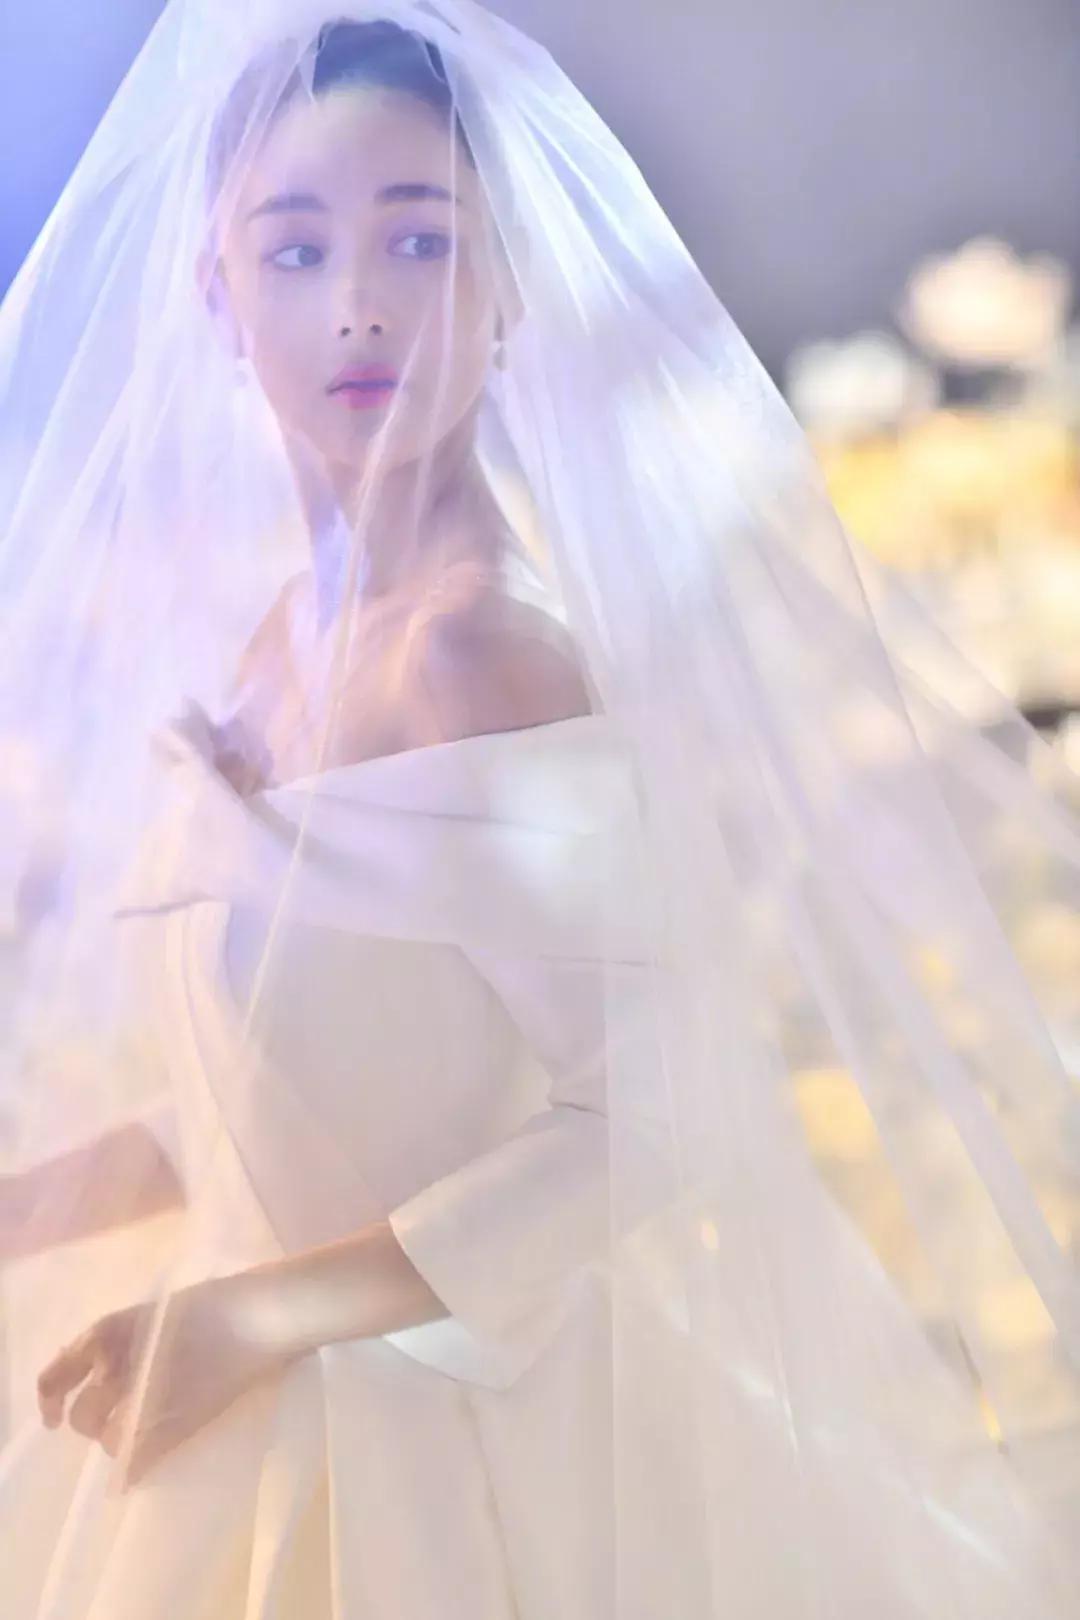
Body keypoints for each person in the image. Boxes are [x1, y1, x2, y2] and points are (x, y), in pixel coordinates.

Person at [1, 5, 1080, 1616]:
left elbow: (651, 1121)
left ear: (507, 288)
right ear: (218, 295)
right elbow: (287, 1115)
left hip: (461, 1455)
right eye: (295, 251)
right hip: (232, 1403)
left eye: (420, 240)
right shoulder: (279, 642)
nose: (358, 304)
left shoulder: (484, 655)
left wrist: (257, 1316)